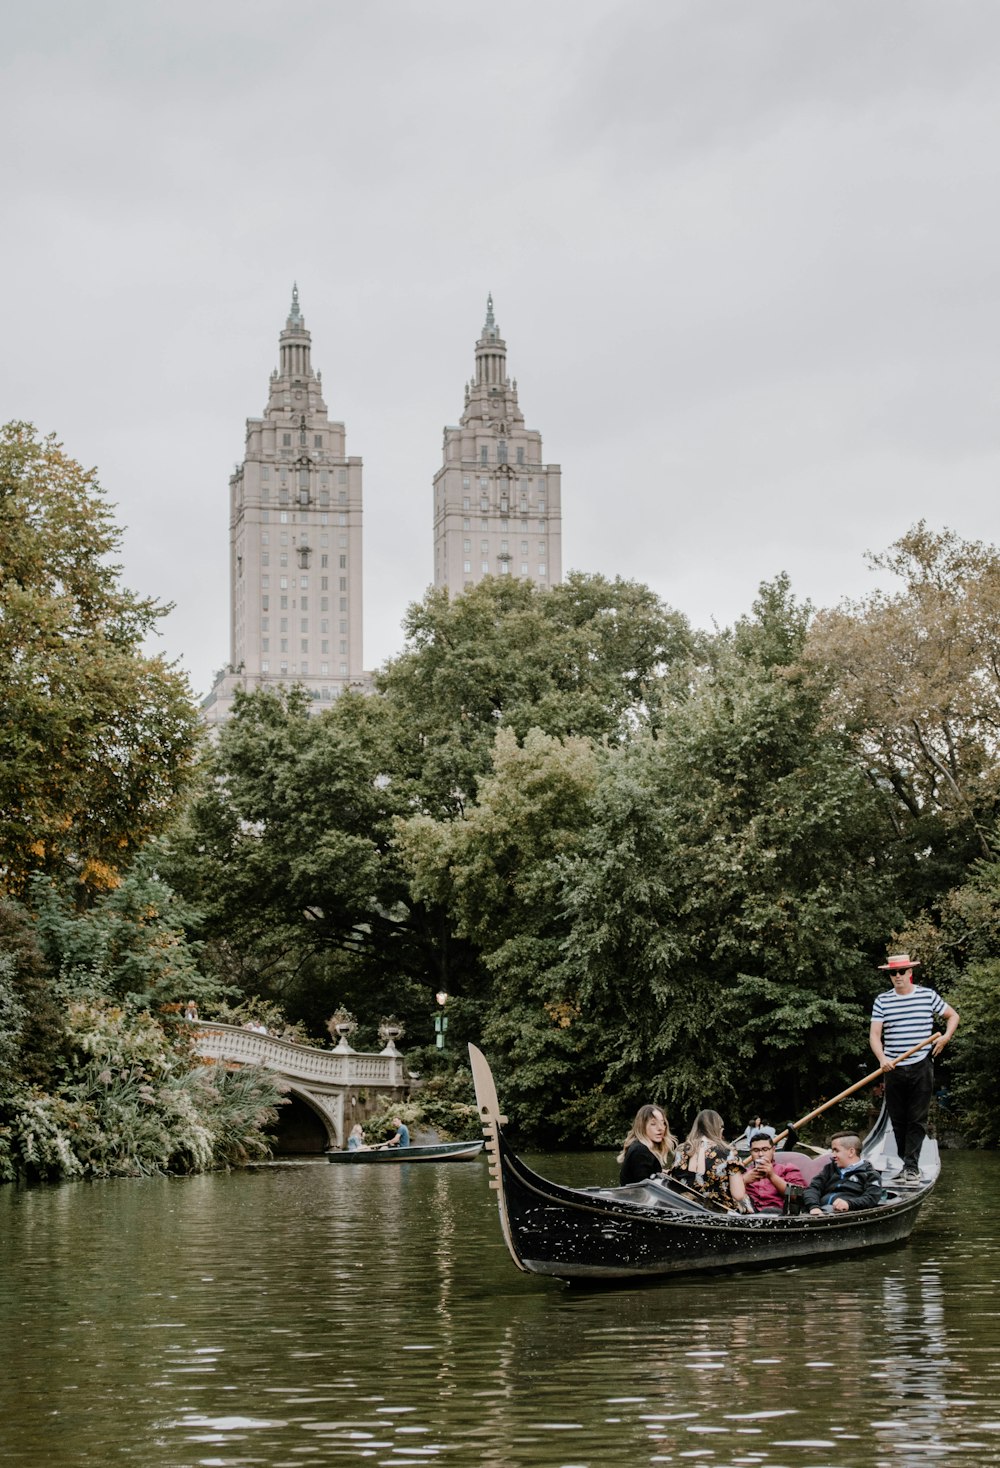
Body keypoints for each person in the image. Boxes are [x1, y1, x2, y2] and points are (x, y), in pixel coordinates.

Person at [869, 952, 959, 1183]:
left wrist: (945, 1037)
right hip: (893, 1067)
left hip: (921, 1064)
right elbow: (875, 1036)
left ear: (910, 972)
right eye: (893, 973)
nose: (897, 976)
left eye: (901, 971)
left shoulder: (927, 996)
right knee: (898, 1119)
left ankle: (911, 1166)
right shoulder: (882, 1000)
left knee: (916, 1118)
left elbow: (953, 1016)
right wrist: (882, 1059)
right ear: (890, 975)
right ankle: (907, 1162)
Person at [672, 1110, 748, 1211]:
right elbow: (738, 1195)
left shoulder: (680, 1151)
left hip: (682, 1210)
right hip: (716, 1214)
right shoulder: (728, 1154)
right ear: (718, 1129)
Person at [804, 1132, 883, 1214]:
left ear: (851, 1152)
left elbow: (872, 1198)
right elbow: (813, 1188)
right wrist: (813, 1207)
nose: (833, 1155)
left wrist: (849, 1204)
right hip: (818, 1212)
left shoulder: (871, 1175)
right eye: (832, 1151)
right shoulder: (829, 1169)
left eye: (836, 1150)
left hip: (846, 1215)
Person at [742, 1131, 807, 1214]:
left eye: (765, 1149)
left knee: (769, 1211)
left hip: (779, 1214)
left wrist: (772, 1176)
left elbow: (799, 1195)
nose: (761, 1154)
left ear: (773, 1150)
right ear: (751, 1152)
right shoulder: (743, 1173)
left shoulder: (787, 1169)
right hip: (749, 1213)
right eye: (756, 1150)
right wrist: (743, 1181)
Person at [617, 1104, 676, 1185]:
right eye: (653, 1124)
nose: (660, 1128)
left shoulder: (641, 1148)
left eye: (663, 1123)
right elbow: (645, 1188)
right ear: (642, 1127)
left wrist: (661, 1173)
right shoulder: (640, 1151)